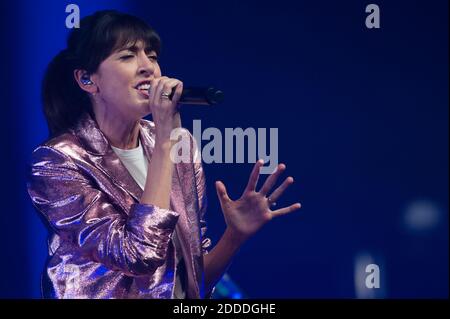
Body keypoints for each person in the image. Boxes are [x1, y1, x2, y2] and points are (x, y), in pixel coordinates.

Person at [27, 10, 301, 299]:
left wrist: (235, 235)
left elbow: (191, 286)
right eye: (128, 55)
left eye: (153, 56)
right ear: (87, 79)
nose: (148, 68)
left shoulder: (180, 147)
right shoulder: (57, 161)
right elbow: (138, 255)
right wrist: (165, 141)